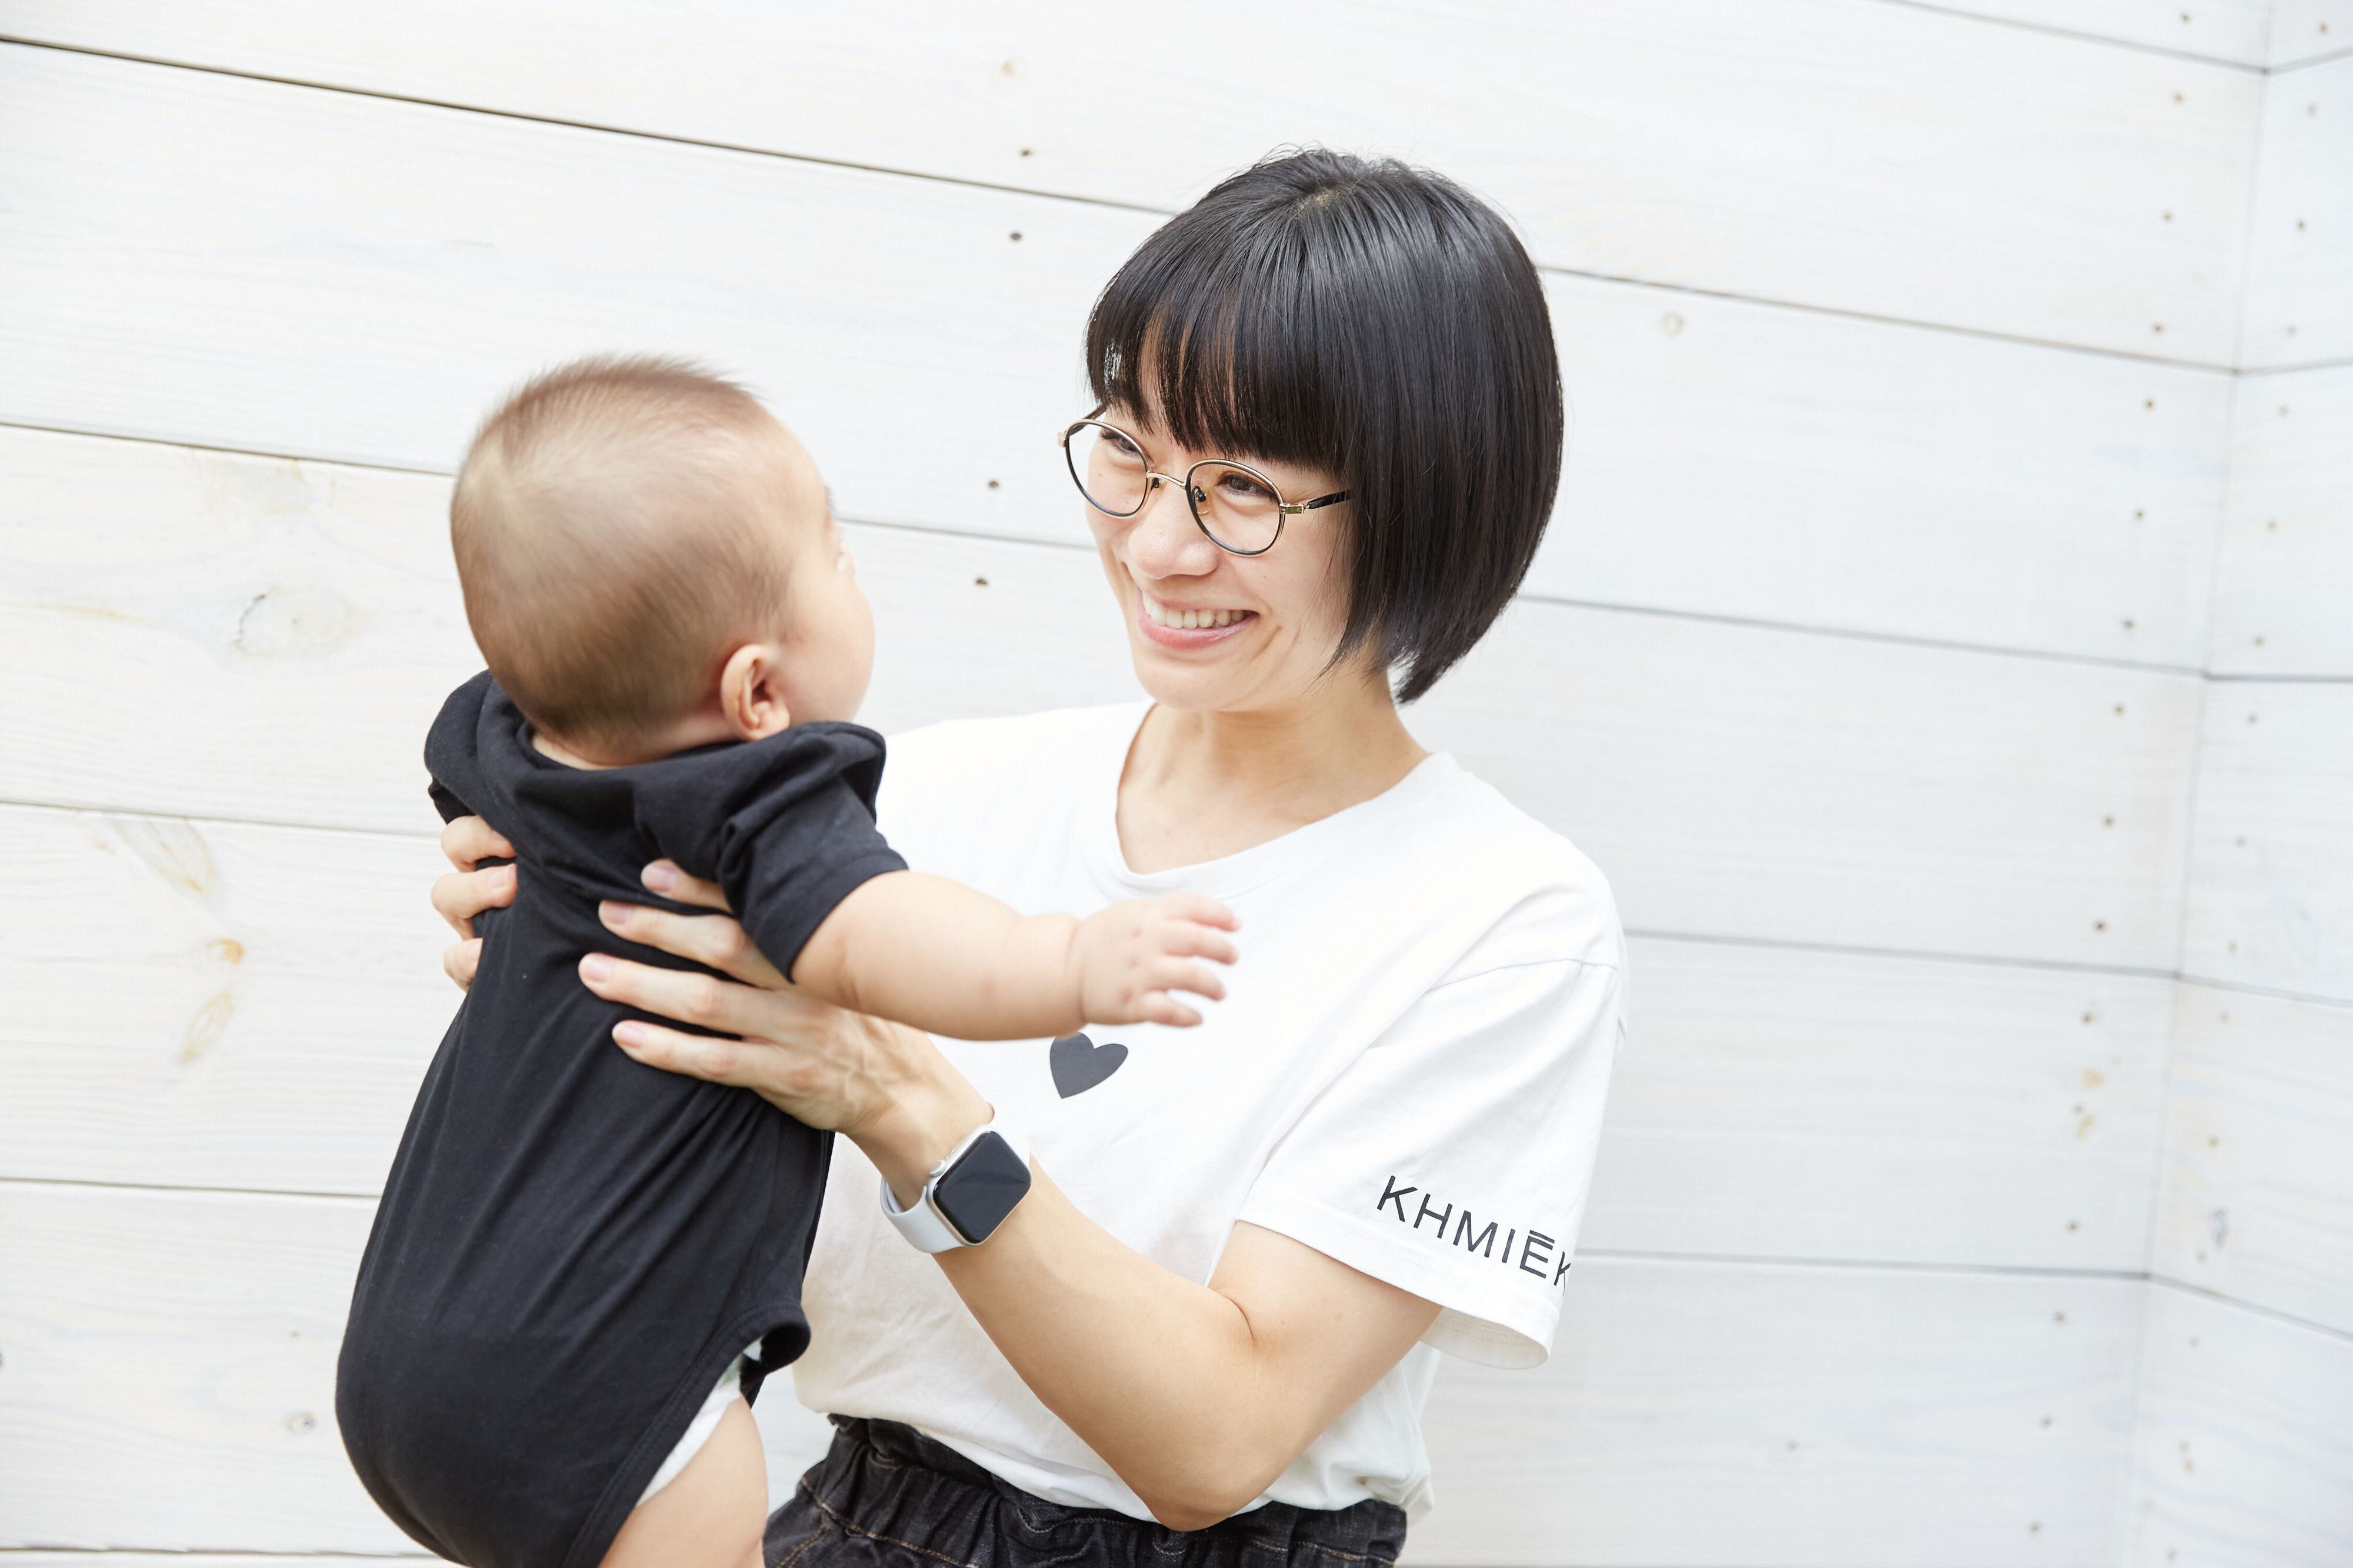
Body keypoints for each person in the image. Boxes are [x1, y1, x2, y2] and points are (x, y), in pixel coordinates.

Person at [431, 150, 1627, 1568]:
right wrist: (575, 946)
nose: (1158, 545)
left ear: (1428, 507)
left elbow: (1216, 1445)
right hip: (850, 1520)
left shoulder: (1502, 918)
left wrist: (893, 1092)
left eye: (1241, 489)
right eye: (1129, 453)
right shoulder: (912, 794)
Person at [344, 358, 1238, 1568]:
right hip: (614, 1397)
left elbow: (477, 811)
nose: (853, 569)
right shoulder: (754, 803)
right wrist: (1070, 960)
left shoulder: (504, 733)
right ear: (757, 689)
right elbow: (883, 937)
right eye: (837, 555)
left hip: (402, 1359)